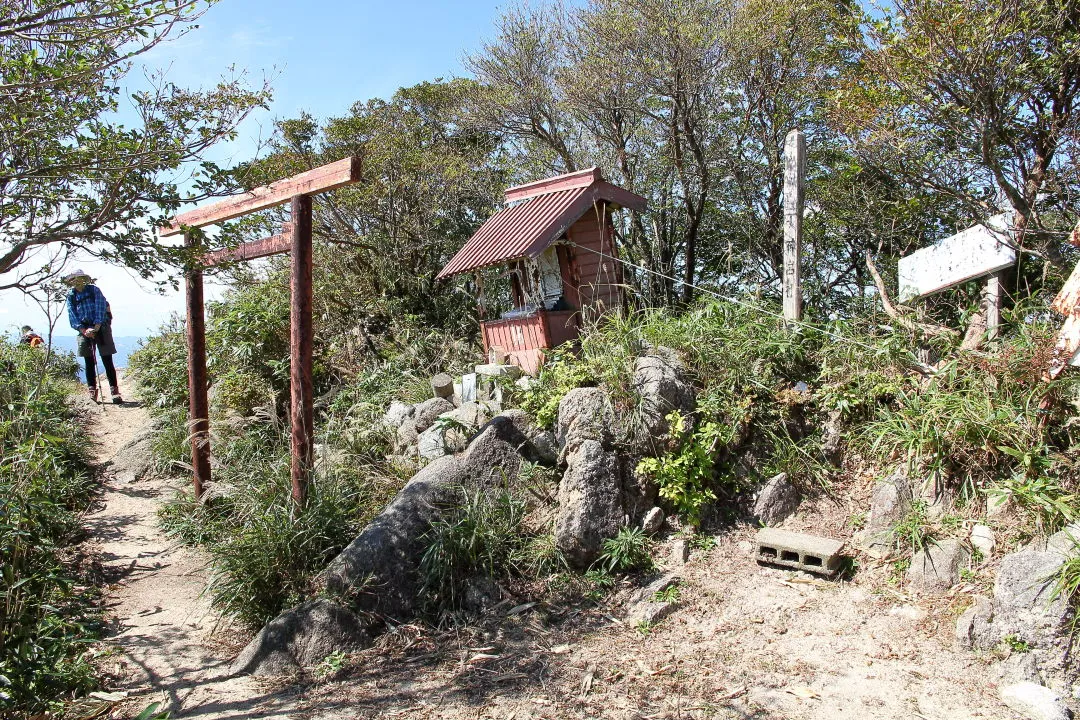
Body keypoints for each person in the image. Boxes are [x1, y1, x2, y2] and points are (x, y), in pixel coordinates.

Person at [63, 269, 123, 403]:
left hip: (101, 327)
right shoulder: (71, 296)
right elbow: (72, 316)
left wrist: (96, 327)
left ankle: (114, 391)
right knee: (89, 361)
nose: (76, 282)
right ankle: (92, 391)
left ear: (83, 279)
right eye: (73, 279)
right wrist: (84, 331)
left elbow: (101, 308)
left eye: (78, 278)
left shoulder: (94, 290)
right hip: (84, 330)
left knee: (107, 359)